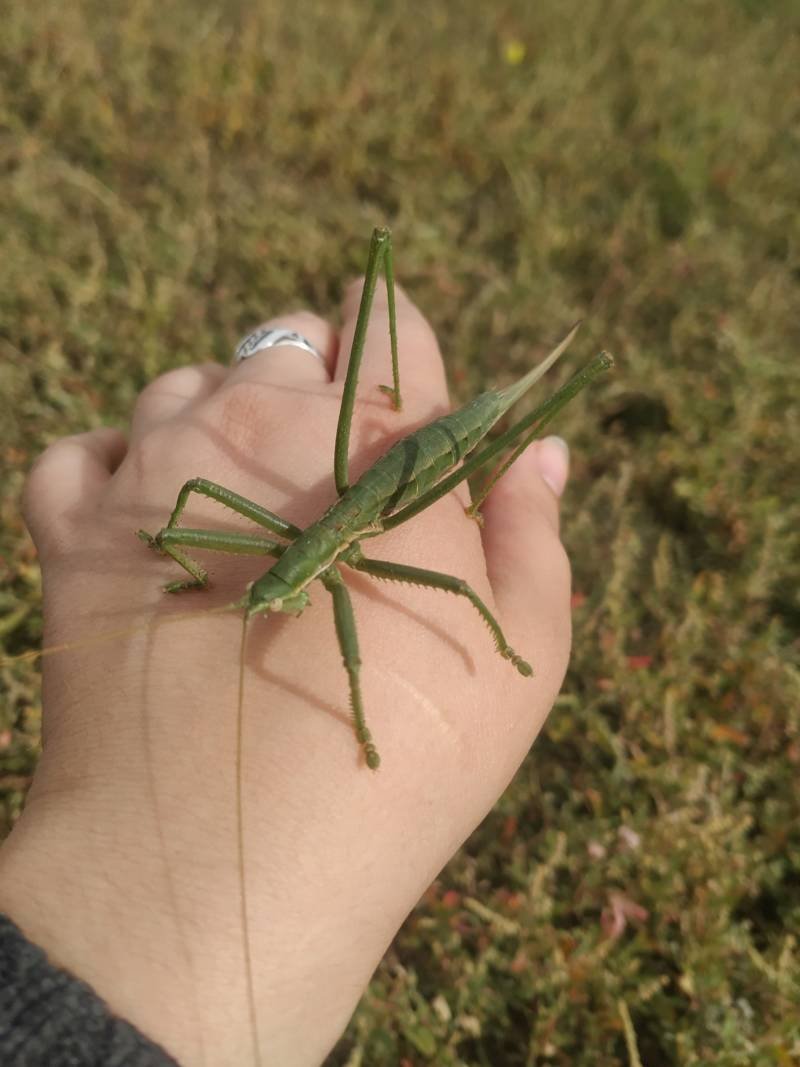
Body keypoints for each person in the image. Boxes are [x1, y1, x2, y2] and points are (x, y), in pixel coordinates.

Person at [0, 280, 572, 1066]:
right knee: (202, 492)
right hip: (341, 507)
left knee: (456, 561)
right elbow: (196, 490)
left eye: (278, 591)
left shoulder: (337, 568)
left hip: (398, 491)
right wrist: (197, 575)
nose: (274, 602)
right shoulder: (278, 556)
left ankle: (544, 385)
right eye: (276, 592)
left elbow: (463, 589)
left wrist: (398, 709)